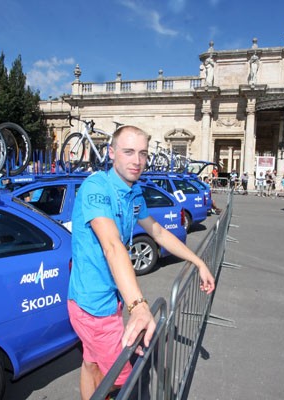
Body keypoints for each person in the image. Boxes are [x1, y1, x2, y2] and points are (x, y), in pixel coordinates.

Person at [67, 125, 216, 399]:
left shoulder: (134, 193)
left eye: (143, 153)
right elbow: (112, 245)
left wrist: (198, 262)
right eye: (128, 152)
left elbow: (157, 232)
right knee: (122, 376)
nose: (137, 161)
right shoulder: (95, 186)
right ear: (111, 153)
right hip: (92, 304)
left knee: (91, 363)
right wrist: (139, 306)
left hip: (110, 300)